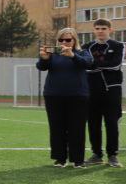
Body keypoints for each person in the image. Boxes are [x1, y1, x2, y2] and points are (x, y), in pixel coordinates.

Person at [37, 27, 94, 168]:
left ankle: (78, 159)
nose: (64, 42)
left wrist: (73, 56)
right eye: (61, 39)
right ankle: (60, 158)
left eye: (68, 39)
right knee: (56, 128)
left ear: (74, 40)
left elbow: (88, 64)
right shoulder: (53, 54)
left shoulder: (82, 53)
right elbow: (41, 67)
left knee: (77, 128)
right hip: (53, 95)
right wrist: (44, 59)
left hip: (78, 96)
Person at [83, 19, 126, 167]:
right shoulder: (86, 47)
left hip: (112, 90)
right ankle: (96, 154)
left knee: (112, 123)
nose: (100, 31)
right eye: (97, 28)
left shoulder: (118, 46)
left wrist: (94, 64)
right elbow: (84, 65)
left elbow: (116, 65)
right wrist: (99, 65)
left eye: (103, 28)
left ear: (110, 30)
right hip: (91, 90)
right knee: (93, 123)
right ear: (94, 30)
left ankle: (112, 155)